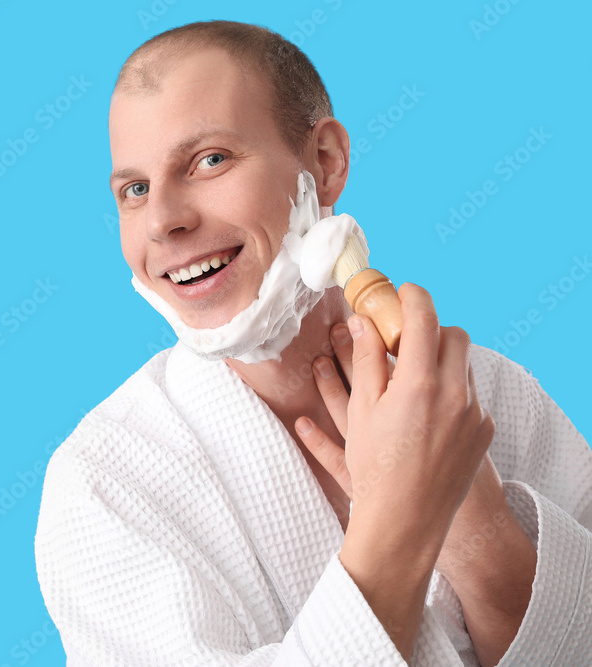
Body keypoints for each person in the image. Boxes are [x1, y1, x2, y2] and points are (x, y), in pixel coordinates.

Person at [34, 20, 592, 666]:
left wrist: (476, 529)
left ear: (324, 164)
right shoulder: (105, 481)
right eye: (135, 190)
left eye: (209, 160)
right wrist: (401, 522)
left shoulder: (484, 396)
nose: (162, 220)